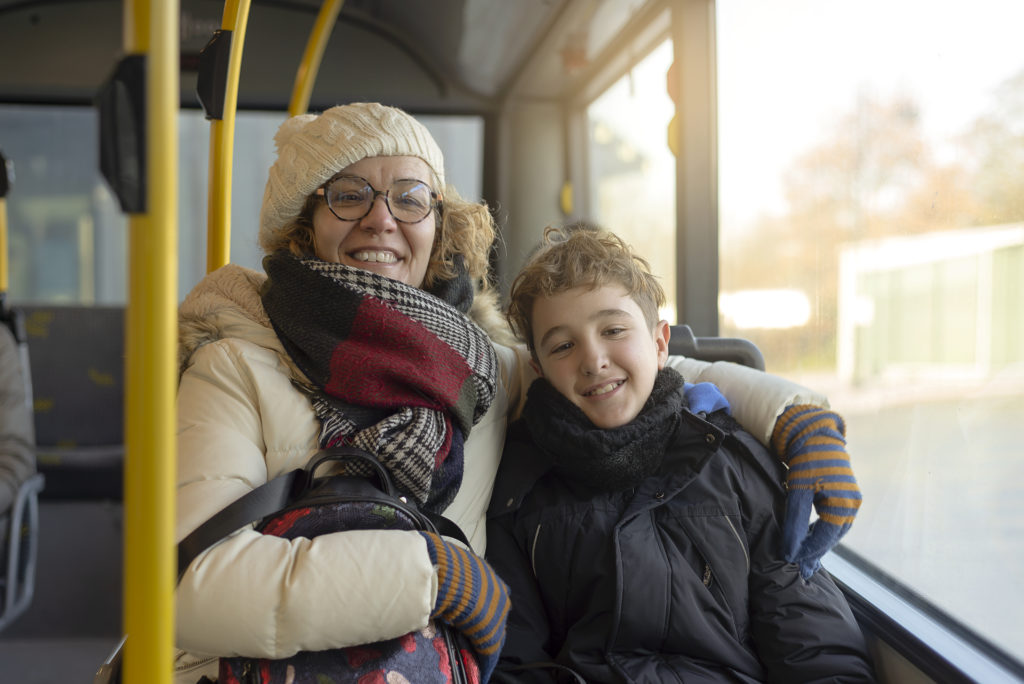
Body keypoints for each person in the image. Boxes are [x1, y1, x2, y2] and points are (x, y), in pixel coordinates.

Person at [173, 102, 859, 683]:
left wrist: (799, 418)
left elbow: (640, 378)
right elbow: (188, 592)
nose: (382, 220)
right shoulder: (236, 366)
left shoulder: (482, 367)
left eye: (410, 197)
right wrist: (430, 576)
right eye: (349, 194)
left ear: (438, 227)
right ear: (305, 224)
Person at [486, 225, 872, 683]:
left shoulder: (732, 462)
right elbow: (517, 659)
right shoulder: (519, 487)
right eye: (564, 346)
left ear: (660, 342)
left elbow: (813, 641)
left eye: (613, 329)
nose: (593, 360)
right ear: (539, 370)